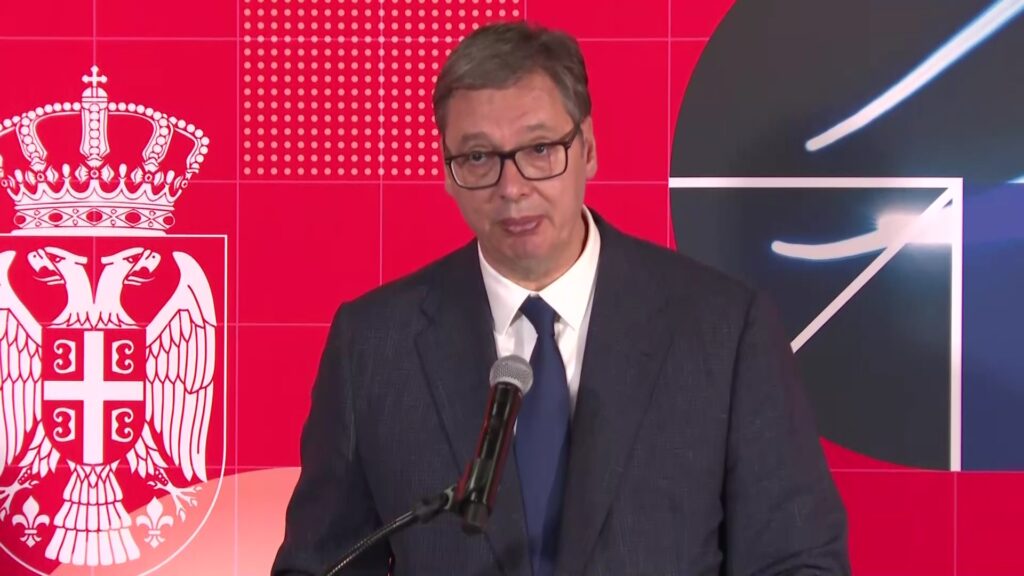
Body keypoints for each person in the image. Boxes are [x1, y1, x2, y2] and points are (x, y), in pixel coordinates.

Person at [272, 21, 849, 576]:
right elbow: (319, 564)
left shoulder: (723, 330)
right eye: (478, 158)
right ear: (446, 171)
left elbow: (796, 561)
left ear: (588, 148)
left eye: (540, 148)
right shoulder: (374, 347)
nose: (512, 188)